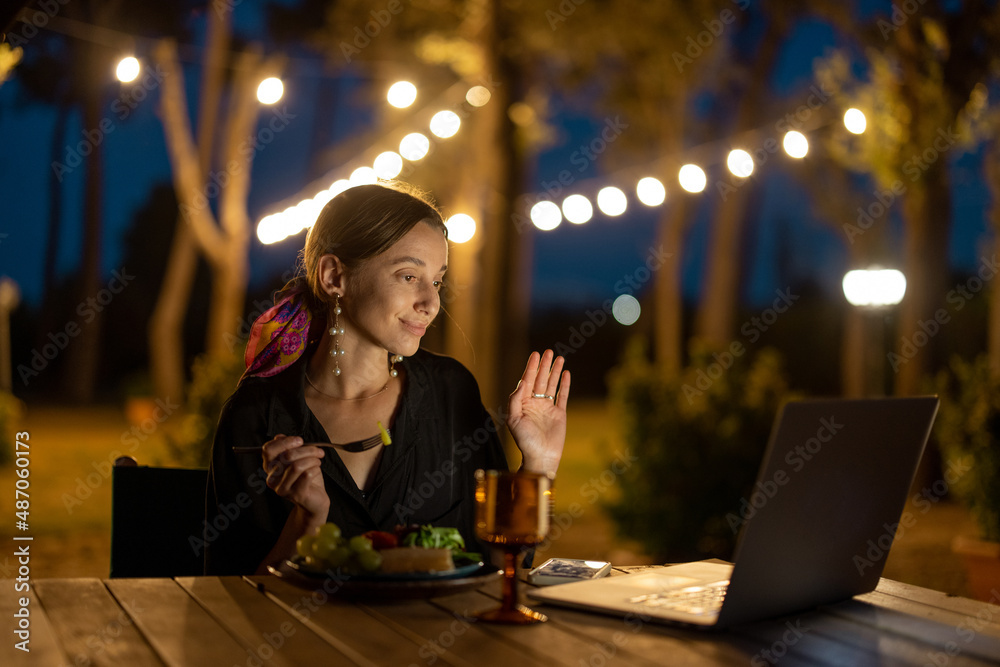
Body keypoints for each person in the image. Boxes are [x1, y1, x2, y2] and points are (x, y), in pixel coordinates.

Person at [204, 182, 570, 575]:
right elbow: (230, 607)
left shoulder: (451, 392)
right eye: (409, 276)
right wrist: (306, 522)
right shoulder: (255, 416)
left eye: (437, 281)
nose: (431, 304)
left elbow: (502, 568)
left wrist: (538, 465)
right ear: (334, 277)